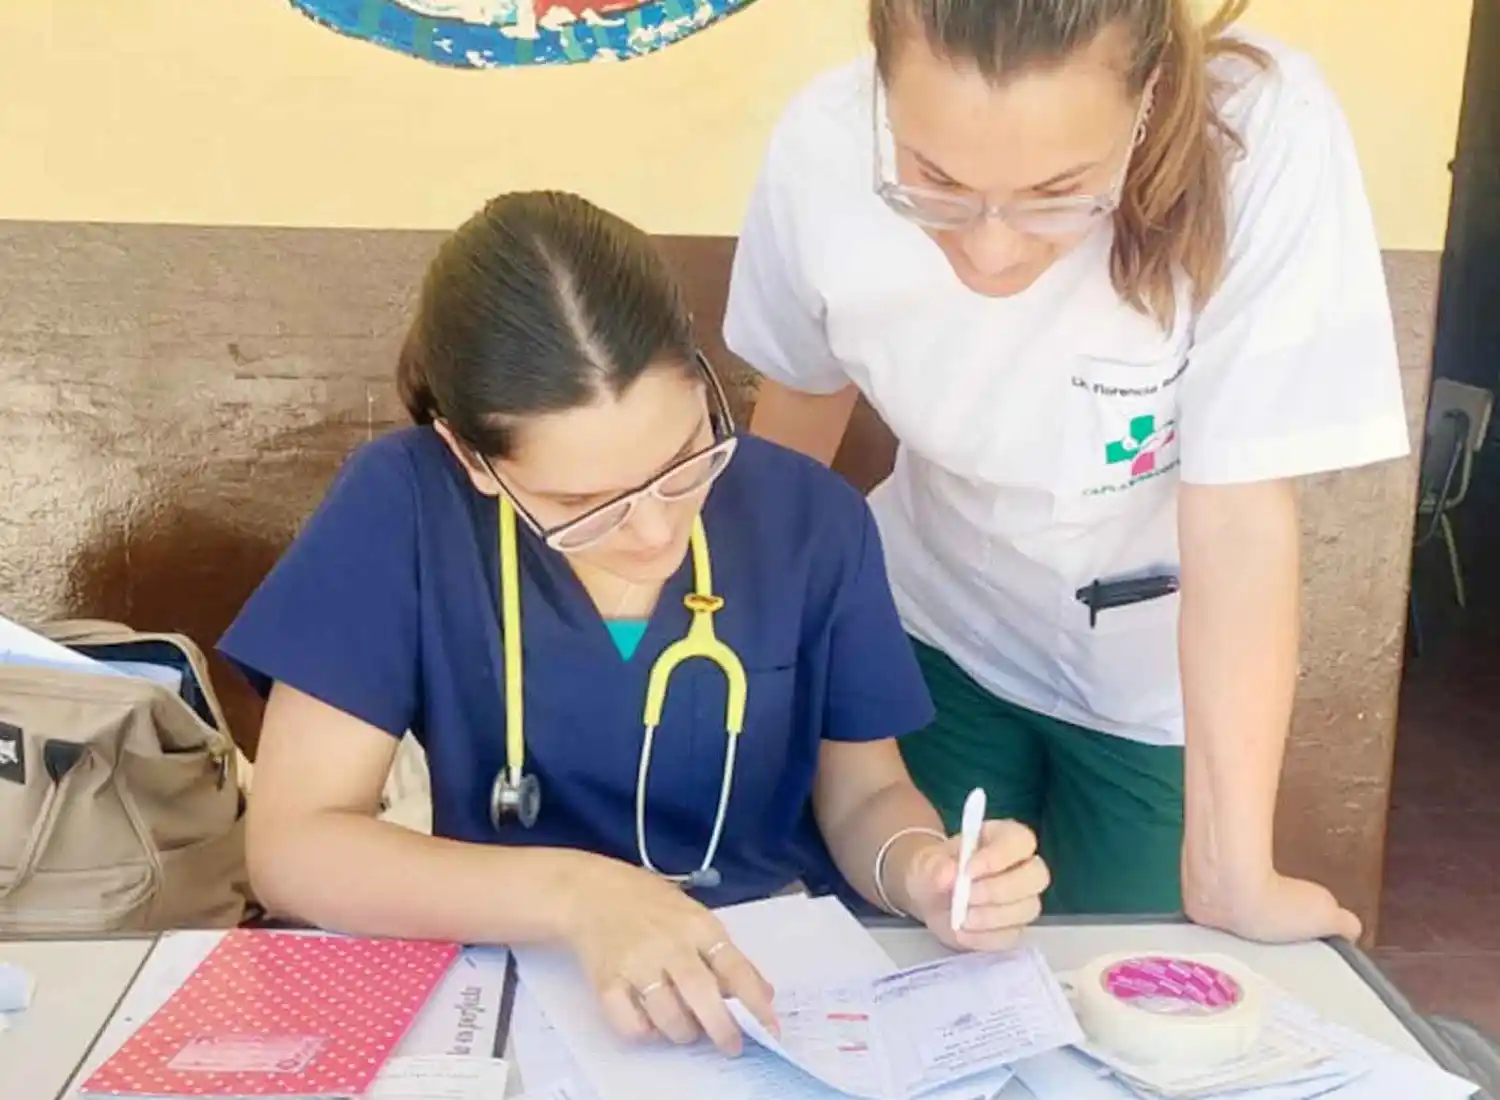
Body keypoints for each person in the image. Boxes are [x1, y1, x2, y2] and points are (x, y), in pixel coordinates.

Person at [220, 190, 1050, 1055]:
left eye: (684, 460)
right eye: (583, 505)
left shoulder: (808, 518)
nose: (655, 531)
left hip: (764, 994)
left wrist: (920, 870)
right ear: (471, 459)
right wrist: (578, 897)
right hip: (517, 987)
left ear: (702, 379)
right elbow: (294, 845)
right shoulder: (402, 506)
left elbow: (868, 794)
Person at [725, 0, 1407, 944]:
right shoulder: (823, 146)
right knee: (932, 946)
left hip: (1158, 672)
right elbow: (794, 428)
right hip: (932, 631)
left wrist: (1233, 873)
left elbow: (1241, 517)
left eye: (1059, 192)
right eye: (936, 182)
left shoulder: (1263, 135)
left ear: (1149, 95)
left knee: (1137, 975)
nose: (992, 249)